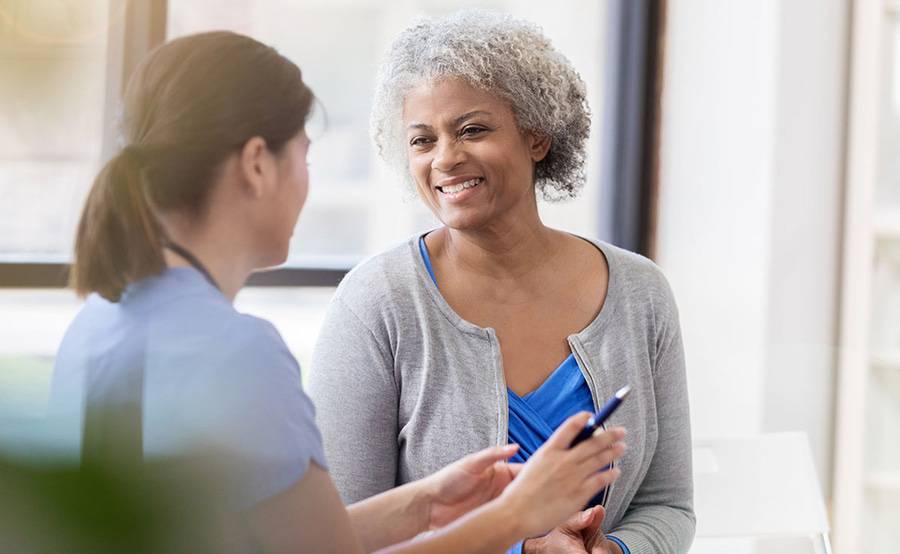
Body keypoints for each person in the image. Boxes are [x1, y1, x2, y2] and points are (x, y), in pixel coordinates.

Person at [49, 31, 627, 554]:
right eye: (303, 155)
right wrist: (517, 517)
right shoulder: (235, 352)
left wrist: (425, 503)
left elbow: (298, 538)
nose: (308, 182)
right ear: (257, 165)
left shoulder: (103, 320)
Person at [308, 10, 694, 554]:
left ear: (536, 136)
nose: (445, 158)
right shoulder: (378, 303)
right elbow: (337, 534)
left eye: (472, 130)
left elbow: (668, 504)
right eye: (422, 140)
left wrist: (614, 551)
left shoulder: (640, 292)